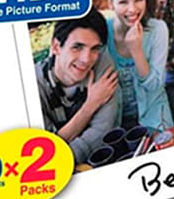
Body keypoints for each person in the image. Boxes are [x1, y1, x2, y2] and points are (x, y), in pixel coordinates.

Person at [35, 9, 121, 164]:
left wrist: (61, 158)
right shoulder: (34, 86)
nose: (86, 59)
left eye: (94, 48)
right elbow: (43, 151)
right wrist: (90, 105)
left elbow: (102, 130)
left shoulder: (102, 63)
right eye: (77, 47)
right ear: (56, 47)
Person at [104, 0, 173, 131]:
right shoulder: (102, 32)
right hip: (114, 120)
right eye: (123, 2)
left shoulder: (158, 29)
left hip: (153, 115)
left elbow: (154, 85)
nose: (132, 9)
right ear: (111, 3)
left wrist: (136, 51)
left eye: (138, 0)